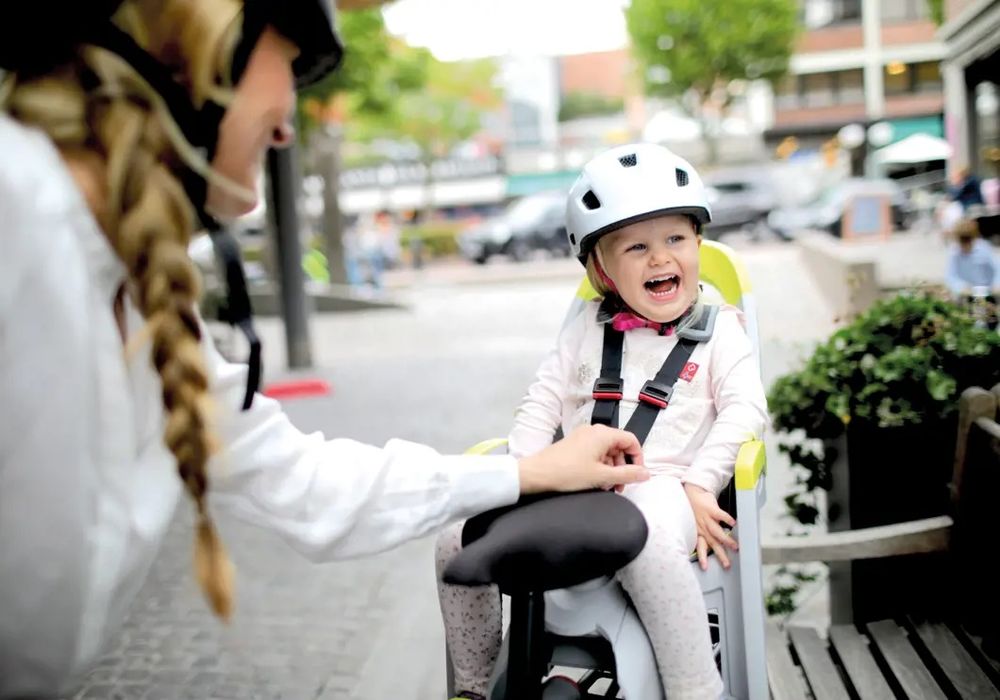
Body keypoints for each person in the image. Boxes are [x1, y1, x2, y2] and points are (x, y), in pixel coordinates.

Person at [0, 2, 650, 697]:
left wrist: (527, 471)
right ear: (197, 63)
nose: (286, 127)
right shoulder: (17, 209)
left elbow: (304, 484)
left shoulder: (140, 290)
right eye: (284, 64)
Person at [436, 143, 769, 700]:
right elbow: (541, 401)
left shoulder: (721, 331)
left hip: (664, 486)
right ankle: (471, 685)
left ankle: (696, 689)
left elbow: (746, 408)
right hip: (572, 483)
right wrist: (525, 469)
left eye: (675, 240)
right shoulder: (586, 327)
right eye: (636, 247)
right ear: (601, 270)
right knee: (452, 538)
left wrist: (700, 482)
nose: (660, 258)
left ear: (699, 244)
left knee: (650, 538)